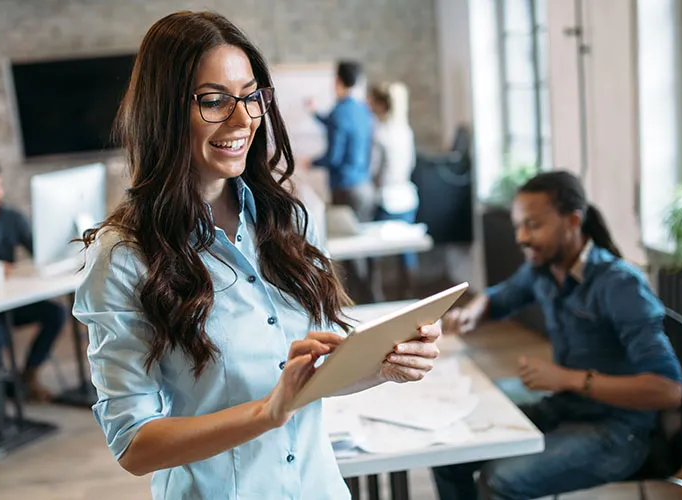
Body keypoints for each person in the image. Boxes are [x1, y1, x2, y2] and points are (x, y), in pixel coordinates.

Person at [72, 11, 442, 500]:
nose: (243, 118)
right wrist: (268, 411)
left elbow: (308, 382)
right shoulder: (123, 256)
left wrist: (384, 363)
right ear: (162, 110)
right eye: (213, 101)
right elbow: (134, 443)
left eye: (251, 97)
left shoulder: (292, 216)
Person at [434, 170, 682, 500]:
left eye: (533, 225)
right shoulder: (543, 267)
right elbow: (498, 297)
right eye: (518, 226)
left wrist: (567, 378)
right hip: (567, 407)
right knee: (449, 450)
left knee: (499, 480)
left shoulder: (620, 284)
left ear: (572, 221)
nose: (521, 237)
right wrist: (471, 313)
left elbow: (668, 390)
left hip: (621, 431)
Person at [0, 163, 66, 402]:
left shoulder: (12, 218)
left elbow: (40, 252)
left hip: (9, 301)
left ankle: (29, 375)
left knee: (55, 314)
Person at [309, 60, 375, 222]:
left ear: (337, 80)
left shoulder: (338, 112)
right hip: (365, 187)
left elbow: (333, 158)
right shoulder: (363, 110)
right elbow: (337, 125)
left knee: (346, 243)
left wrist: (312, 162)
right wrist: (315, 113)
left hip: (345, 190)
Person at [368, 81, 419, 273]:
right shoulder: (406, 131)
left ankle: (375, 297)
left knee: (373, 253)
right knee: (406, 251)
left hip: (386, 199)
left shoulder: (380, 134)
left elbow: (374, 169)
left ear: (380, 105)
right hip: (407, 197)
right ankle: (410, 292)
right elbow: (412, 163)